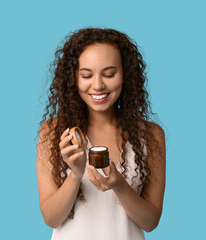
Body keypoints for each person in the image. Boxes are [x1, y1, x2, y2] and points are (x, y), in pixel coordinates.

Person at [36, 28, 166, 240]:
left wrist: (120, 185)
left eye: (109, 74)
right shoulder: (53, 132)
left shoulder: (150, 135)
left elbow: (150, 222)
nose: (97, 85)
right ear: (73, 78)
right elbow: (51, 218)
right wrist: (75, 174)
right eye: (86, 75)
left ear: (125, 75)